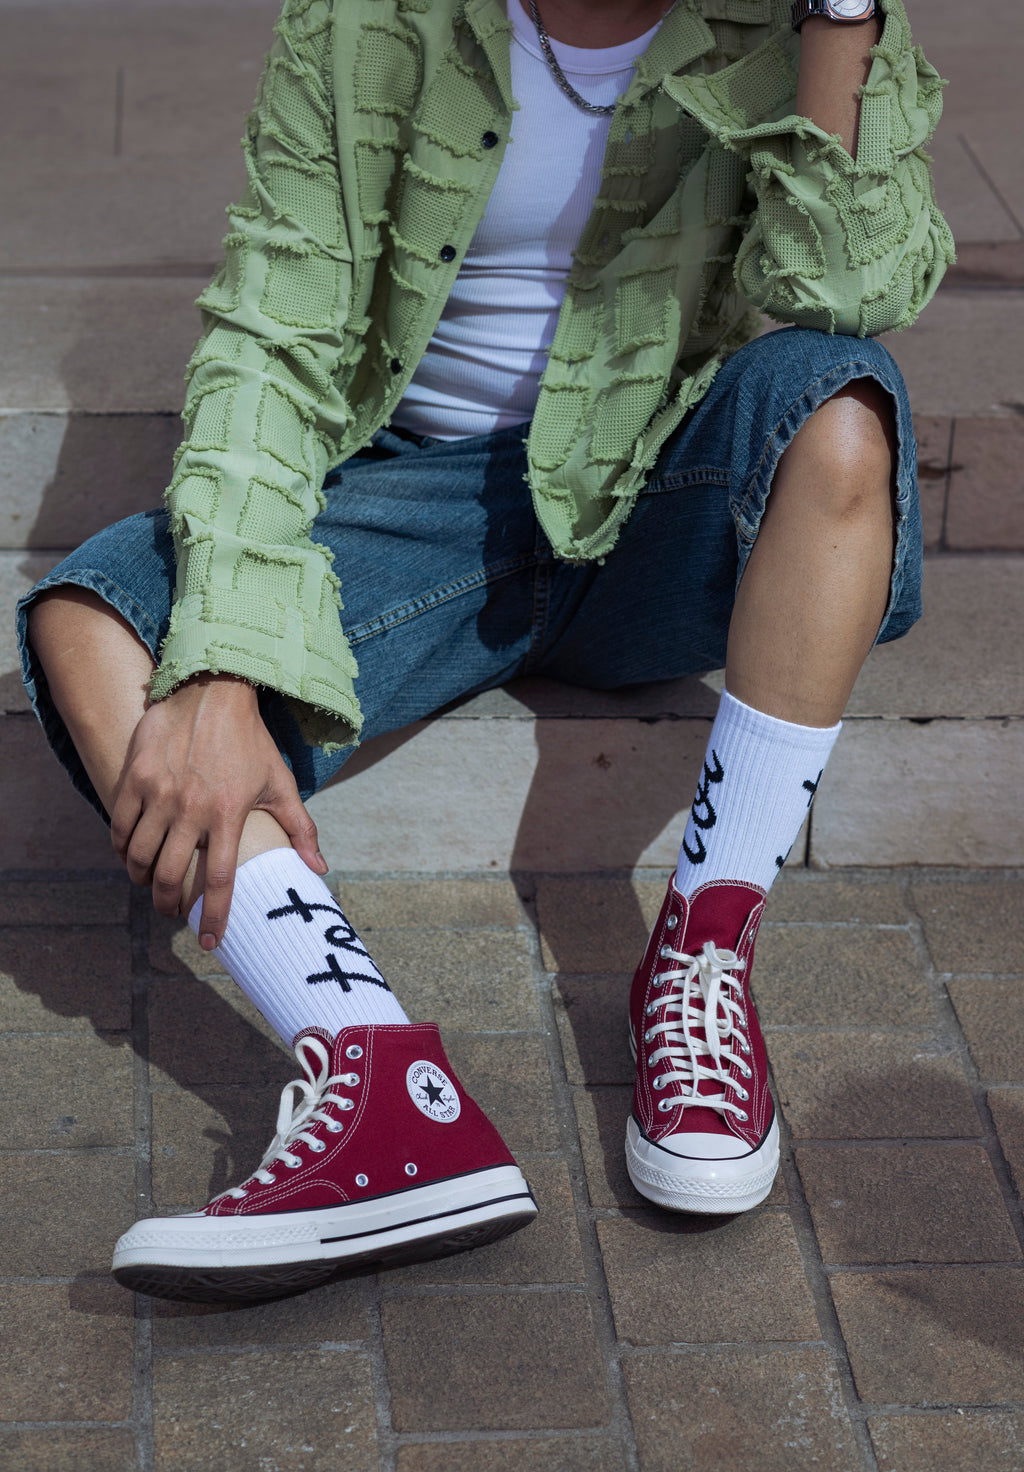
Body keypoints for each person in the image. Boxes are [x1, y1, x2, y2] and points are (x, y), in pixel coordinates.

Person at [17, 0, 950, 1301]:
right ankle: (382, 1085)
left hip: (659, 486)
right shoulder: (374, 19)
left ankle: (703, 954)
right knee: (93, 618)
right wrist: (220, 661)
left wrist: (835, 34)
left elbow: (847, 292)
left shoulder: (785, 20)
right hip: (425, 504)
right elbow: (274, 336)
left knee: (843, 407)